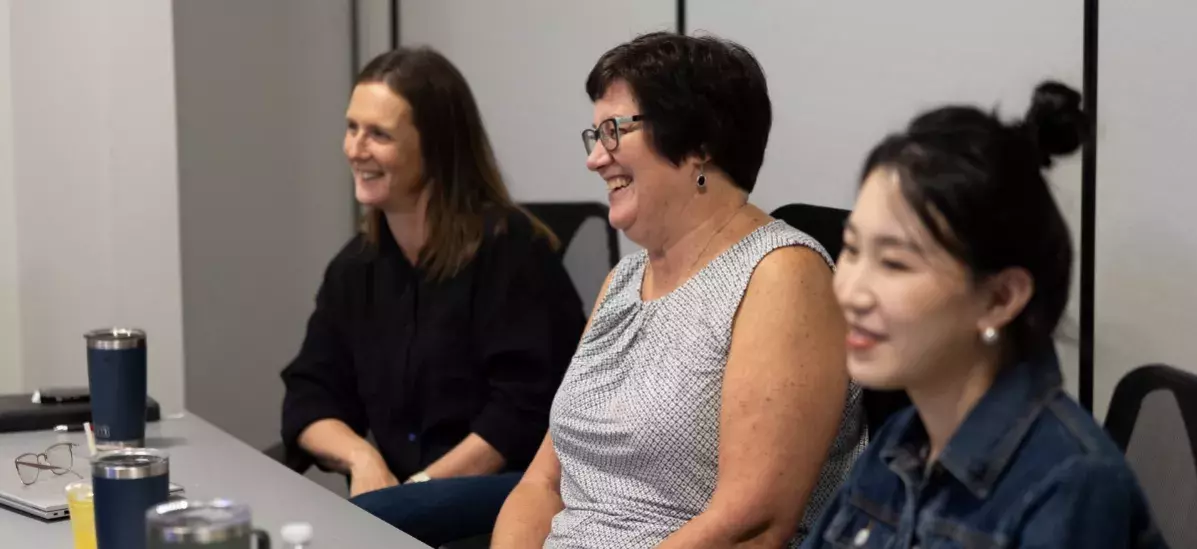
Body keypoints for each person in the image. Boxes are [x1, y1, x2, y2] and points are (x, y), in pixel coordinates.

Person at [492, 32, 864, 548]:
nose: (595, 159)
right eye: (594, 136)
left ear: (699, 145)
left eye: (614, 131)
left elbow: (751, 525)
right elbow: (542, 483)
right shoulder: (621, 282)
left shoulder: (782, 275)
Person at [805, 82, 1167, 548]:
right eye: (852, 250)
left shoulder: (1069, 484)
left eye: (894, 263)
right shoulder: (903, 440)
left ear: (1000, 298)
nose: (850, 290)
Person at [279, 46, 586, 545]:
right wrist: (363, 459)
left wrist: (416, 494)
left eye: (379, 134)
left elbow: (522, 412)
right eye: (352, 128)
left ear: (437, 148)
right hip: (402, 516)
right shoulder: (355, 268)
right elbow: (310, 395)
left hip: (506, 515)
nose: (356, 149)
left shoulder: (512, 253)